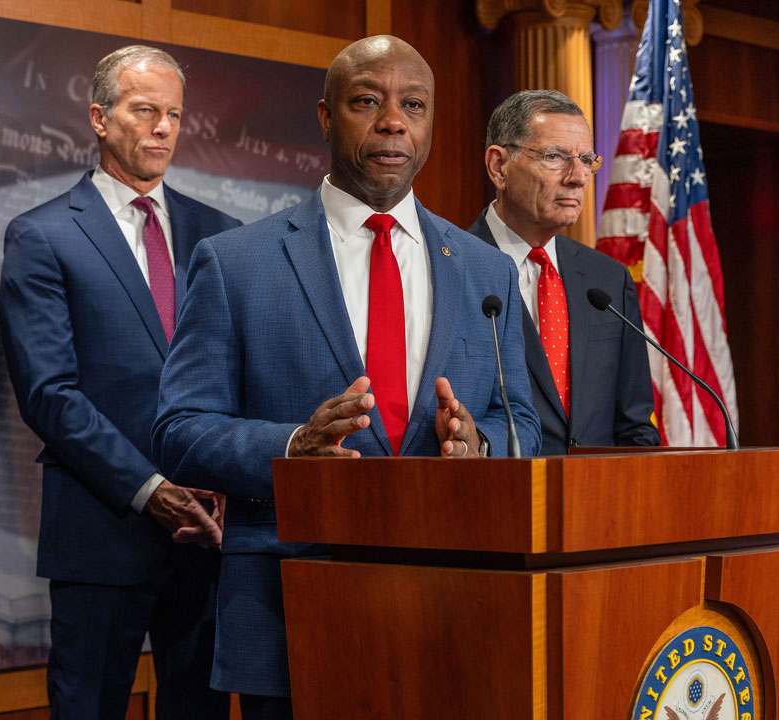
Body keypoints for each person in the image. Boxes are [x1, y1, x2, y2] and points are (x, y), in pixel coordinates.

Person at [151, 35, 541, 719]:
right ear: (328, 118)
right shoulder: (237, 263)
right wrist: (293, 444)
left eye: (412, 105)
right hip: (290, 611)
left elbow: (523, 422)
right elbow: (179, 431)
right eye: (368, 101)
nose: (393, 121)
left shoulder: (486, 272)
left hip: (455, 607)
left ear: (429, 123)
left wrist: (480, 449)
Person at [0, 45, 239, 720]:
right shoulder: (42, 235)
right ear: (101, 119)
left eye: (174, 114)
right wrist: (151, 491)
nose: (163, 127)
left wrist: (225, 482)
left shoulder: (219, 238)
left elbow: (238, 379)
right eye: (145, 111)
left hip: (210, 537)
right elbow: (49, 393)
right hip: (102, 532)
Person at [466, 90, 659, 454]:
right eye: (555, 157)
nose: (578, 177)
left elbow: (635, 427)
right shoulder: (451, 269)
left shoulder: (608, 281)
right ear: (498, 166)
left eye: (586, 159)